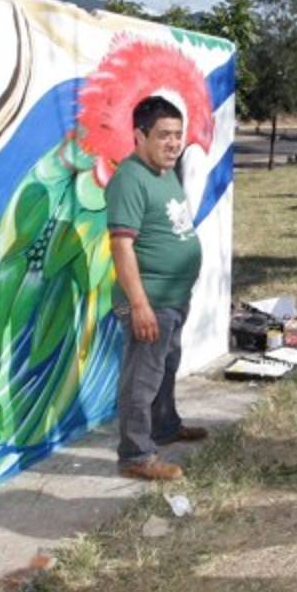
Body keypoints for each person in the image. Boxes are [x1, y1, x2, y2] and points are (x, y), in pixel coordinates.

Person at [106, 96, 210, 481]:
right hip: (150, 301)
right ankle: (135, 454)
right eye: (164, 135)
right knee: (141, 379)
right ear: (139, 135)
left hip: (174, 298)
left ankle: (164, 426)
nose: (173, 143)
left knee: (166, 368)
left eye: (178, 135)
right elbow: (121, 245)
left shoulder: (165, 172)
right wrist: (139, 306)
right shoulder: (129, 180)